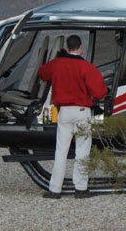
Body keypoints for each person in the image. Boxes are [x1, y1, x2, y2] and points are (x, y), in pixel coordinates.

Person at [37, 35, 108, 199]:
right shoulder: (86, 66)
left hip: (64, 112)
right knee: (82, 150)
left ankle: (55, 190)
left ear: (67, 48)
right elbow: (99, 92)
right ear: (80, 47)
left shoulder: (57, 64)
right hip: (82, 112)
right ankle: (81, 189)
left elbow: (42, 73)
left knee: (60, 151)